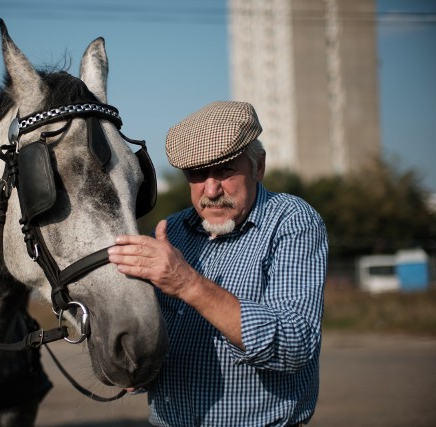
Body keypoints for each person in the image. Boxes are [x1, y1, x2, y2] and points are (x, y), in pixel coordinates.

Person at [108, 101, 327, 427]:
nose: (211, 190)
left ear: (258, 166)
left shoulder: (292, 221)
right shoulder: (172, 232)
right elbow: (156, 341)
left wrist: (188, 284)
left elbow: (294, 345)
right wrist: (136, 364)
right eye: (197, 174)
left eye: (225, 170)